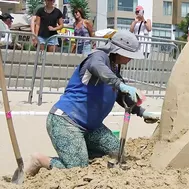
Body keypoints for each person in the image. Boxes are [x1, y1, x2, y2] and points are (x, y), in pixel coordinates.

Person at [25, 30, 160, 176]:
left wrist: (141, 112)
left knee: (117, 153)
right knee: (77, 169)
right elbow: (98, 68)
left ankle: (78, 152)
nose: (130, 59)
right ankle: (40, 160)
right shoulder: (97, 57)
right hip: (66, 121)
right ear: (117, 50)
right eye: (128, 55)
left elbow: (121, 97)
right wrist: (120, 84)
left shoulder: (114, 70)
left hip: (92, 127)